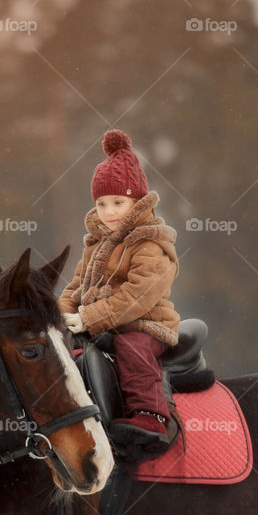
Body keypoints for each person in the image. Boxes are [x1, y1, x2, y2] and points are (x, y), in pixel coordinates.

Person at [58, 129, 179, 441]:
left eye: (117, 202)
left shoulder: (150, 242)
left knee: (132, 347)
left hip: (146, 324)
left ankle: (150, 416)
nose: (108, 212)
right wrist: (56, 317)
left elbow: (137, 295)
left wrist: (89, 317)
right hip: (103, 324)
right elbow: (76, 287)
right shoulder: (97, 243)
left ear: (137, 201)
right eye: (101, 204)